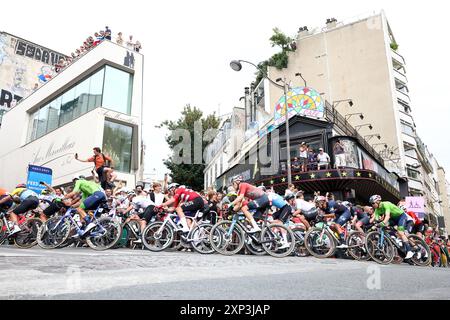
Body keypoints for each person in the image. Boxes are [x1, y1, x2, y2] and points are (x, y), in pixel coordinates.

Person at [369, 195, 414, 259]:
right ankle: (396, 240)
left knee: (400, 232)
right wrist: (374, 226)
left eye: (373, 203)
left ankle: (410, 250)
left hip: (401, 216)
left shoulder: (386, 204)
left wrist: (382, 223)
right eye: (371, 204)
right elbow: (377, 220)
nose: (372, 205)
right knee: (384, 227)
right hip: (393, 219)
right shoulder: (377, 210)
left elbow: (387, 216)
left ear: (378, 201)